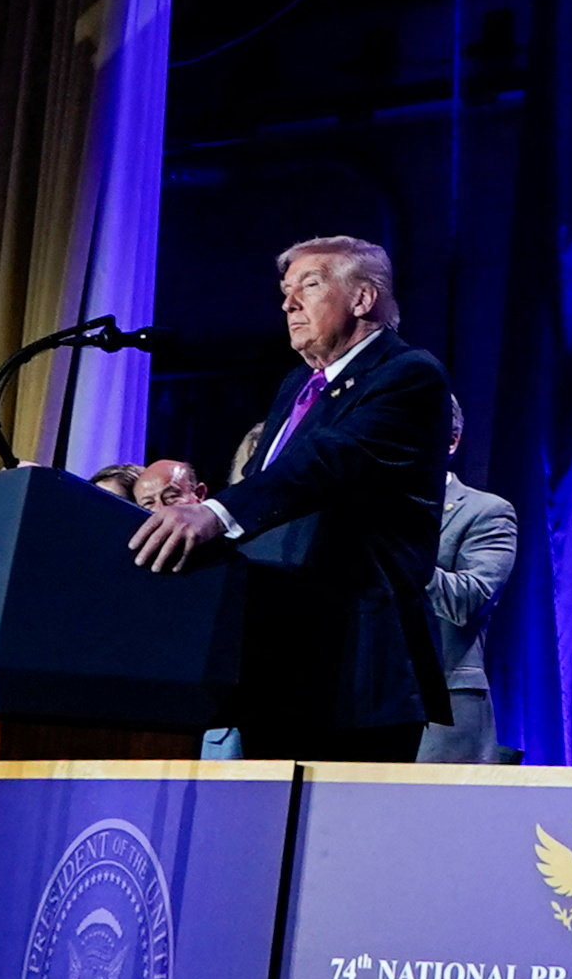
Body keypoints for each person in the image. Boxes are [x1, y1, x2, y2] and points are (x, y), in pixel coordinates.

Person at [132, 236, 454, 761]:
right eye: (285, 290)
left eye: (309, 284)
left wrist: (214, 513)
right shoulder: (297, 386)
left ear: (363, 299)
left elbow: (328, 460)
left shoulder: (408, 374)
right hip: (277, 657)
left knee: (338, 837)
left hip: (356, 665)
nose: (288, 304)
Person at [423, 396, 520, 764]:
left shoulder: (486, 512)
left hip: (440, 715)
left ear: (452, 441)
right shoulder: (359, 509)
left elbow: (468, 600)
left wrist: (400, 553)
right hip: (353, 707)